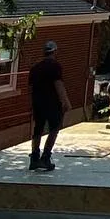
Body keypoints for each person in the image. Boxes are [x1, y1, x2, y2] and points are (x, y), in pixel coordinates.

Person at [28, 39, 71, 171]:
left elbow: (30, 87)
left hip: (38, 103)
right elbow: (58, 85)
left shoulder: (35, 67)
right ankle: (45, 158)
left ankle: (34, 158)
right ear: (55, 52)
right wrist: (65, 101)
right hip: (52, 104)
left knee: (38, 129)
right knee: (54, 129)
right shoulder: (55, 66)